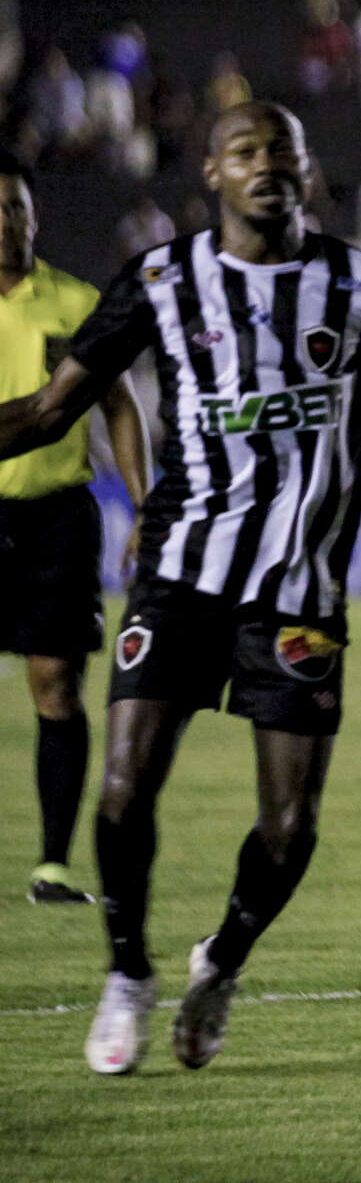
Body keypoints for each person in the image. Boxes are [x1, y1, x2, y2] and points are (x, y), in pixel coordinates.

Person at [0, 102, 361, 1074]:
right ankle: (126, 976)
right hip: (183, 572)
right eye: (246, 151)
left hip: (299, 588)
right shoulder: (159, 279)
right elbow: (52, 406)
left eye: (284, 151)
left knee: (290, 827)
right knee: (122, 790)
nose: (267, 164)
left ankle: (222, 962)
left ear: (309, 174)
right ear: (212, 172)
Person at [0, 154, 152, 904]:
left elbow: (119, 406)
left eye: (16, 207)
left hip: (57, 514)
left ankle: (53, 865)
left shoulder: (76, 303)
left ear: (36, 215)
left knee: (56, 684)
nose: (6, 222)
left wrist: (142, 501)